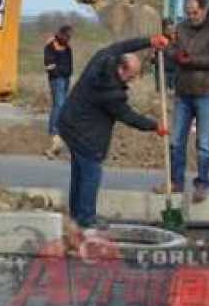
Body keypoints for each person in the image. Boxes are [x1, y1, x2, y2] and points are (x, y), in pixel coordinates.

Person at [58, 35, 171, 230]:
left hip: (70, 122)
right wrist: (154, 126)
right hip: (85, 132)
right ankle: (85, 219)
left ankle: (77, 215)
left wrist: (149, 41)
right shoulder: (110, 93)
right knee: (91, 172)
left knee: (80, 172)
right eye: (132, 76)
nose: (134, 80)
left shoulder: (103, 58)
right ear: (122, 69)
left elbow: (123, 43)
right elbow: (128, 116)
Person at [154, 0, 209, 204]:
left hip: (206, 91)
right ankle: (175, 182)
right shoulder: (182, 28)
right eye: (187, 13)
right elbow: (174, 50)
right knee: (176, 140)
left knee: (204, 143)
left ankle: (202, 184)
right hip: (183, 92)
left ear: (204, 10)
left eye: (194, 12)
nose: (191, 16)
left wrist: (190, 60)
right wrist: (168, 50)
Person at [43, 25, 73, 159]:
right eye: (66, 36)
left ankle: (60, 127)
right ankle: (54, 130)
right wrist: (59, 72)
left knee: (63, 104)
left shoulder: (68, 48)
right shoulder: (50, 46)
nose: (68, 39)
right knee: (59, 104)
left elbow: (69, 65)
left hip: (65, 78)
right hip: (56, 79)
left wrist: (66, 72)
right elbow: (49, 65)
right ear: (61, 35)